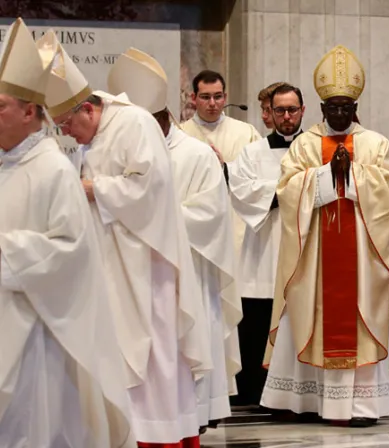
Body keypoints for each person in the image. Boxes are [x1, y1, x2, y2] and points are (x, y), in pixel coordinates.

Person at [40, 35, 212, 448]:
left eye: (67, 125)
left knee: (151, 353)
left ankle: (157, 435)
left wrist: (94, 189)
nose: (69, 135)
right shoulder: (93, 136)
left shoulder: (134, 122)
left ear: (87, 108)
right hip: (110, 263)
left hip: (145, 265)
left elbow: (152, 187)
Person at [0, 19, 134, 447]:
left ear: (28, 111)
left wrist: (6, 252)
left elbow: (71, 251)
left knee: (31, 426)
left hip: (39, 332)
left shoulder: (53, 168)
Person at [260, 45, 389, 427]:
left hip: (360, 258)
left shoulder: (375, 144)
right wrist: (324, 176)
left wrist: (354, 175)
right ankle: (305, 400)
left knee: (359, 316)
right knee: (307, 309)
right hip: (315, 260)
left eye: (345, 106)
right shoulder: (306, 144)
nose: (338, 113)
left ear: (354, 106)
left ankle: (359, 406)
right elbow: (286, 189)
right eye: (332, 107)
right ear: (321, 108)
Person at [107, 47, 241, 434]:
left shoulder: (197, 155)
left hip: (187, 271)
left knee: (183, 349)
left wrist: (151, 218)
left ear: (159, 119)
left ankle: (191, 418)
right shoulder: (125, 155)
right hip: (135, 270)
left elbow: (210, 215)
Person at [228, 83, 305, 409]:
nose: (286, 116)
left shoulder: (313, 150)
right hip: (262, 254)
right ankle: (253, 394)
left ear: (303, 111)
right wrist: (288, 190)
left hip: (302, 254)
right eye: (280, 110)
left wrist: (278, 190)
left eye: (292, 109)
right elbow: (242, 192)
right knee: (257, 326)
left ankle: (295, 394)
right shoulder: (252, 152)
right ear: (269, 113)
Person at [181, 69, 261, 254]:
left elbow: (257, 178)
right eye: (205, 97)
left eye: (217, 97)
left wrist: (227, 169)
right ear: (193, 98)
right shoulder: (180, 134)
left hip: (235, 221)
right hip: (195, 227)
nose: (212, 104)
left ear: (225, 97)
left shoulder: (246, 133)